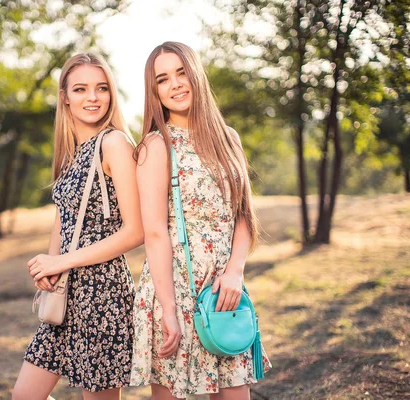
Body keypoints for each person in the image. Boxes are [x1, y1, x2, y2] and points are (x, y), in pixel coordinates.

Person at [130, 41, 271, 400]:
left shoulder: (228, 139)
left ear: (196, 75)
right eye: (163, 79)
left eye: (181, 73)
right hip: (173, 287)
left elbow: (243, 215)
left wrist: (235, 272)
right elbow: (155, 233)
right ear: (155, 91)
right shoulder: (156, 145)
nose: (175, 84)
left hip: (224, 288)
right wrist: (168, 309)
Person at [12, 53, 143, 400]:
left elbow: (135, 231)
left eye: (101, 88)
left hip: (104, 295)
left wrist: (62, 262)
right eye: (81, 89)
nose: (93, 97)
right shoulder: (72, 152)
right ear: (65, 97)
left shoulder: (114, 143)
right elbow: (64, 219)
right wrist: (49, 266)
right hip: (65, 292)